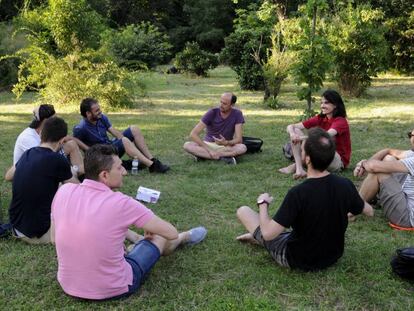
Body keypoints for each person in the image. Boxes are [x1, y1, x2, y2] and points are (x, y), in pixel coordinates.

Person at [51, 144, 207, 300]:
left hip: (68, 286)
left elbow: (54, 239)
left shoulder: (64, 191)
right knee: (160, 237)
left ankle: (133, 248)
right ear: (104, 175)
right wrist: (159, 231)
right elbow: (170, 233)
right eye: (119, 168)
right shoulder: (121, 203)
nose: (124, 172)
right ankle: (185, 237)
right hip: (115, 287)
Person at [236, 128, 373, 271]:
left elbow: (268, 234)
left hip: (298, 258)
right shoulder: (345, 184)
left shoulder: (298, 193)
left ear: (307, 159)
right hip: (332, 255)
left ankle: (257, 237)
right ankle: (256, 237)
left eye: (302, 150)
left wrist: (262, 203)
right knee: (293, 231)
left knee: (243, 211)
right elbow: (369, 211)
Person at [8, 117, 78, 244]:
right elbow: (80, 190)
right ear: (62, 140)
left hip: (16, 227)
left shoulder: (27, 153)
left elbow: (9, 175)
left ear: (41, 134)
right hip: (38, 233)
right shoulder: (57, 159)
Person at [73, 98, 169, 173]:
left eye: (99, 109)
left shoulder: (101, 118)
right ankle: (151, 166)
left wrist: (129, 147)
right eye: (97, 110)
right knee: (124, 141)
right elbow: (76, 144)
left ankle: (151, 159)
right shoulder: (81, 128)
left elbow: (114, 132)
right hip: (101, 155)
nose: (100, 112)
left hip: (110, 147)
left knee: (134, 129)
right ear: (88, 113)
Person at [279, 90, 351, 179]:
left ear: (335, 105)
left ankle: (296, 165)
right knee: (297, 130)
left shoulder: (341, 121)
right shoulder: (321, 118)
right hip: (321, 154)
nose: (322, 106)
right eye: (321, 103)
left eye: (326, 103)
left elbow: (325, 136)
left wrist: (302, 139)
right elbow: (291, 126)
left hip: (336, 160)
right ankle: (299, 169)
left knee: (310, 140)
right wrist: (292, 134)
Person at [4, 104, 86, 181]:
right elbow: (43, 159)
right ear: (46, 121)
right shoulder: (28, 137)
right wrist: (59, 143)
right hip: (31, 171)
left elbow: (52, 149)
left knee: (71, 144)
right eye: (54, 118)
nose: (56, 121)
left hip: (44, 160)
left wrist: (62, 139)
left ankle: (80, 174)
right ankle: (73, 176)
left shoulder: (46, 131)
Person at [353, 128, 414, 228]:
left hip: (407, 218)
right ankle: (369, 198)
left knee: (379, 172)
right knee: (388, 159)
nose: (411, 139)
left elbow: (373, 167)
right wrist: (366, 163)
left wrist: (364, 163)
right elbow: (389, 152)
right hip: (407, 200)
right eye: (410, 135)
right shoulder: (412, 154)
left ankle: (353, 208)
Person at [183, 92, 247, 165]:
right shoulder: (212, 112)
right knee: (187, 145)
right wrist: (210, 150)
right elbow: (193, 134)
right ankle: (224, 157)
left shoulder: (237, 114)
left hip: (225, 146)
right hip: (208, 145)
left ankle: (203, 156)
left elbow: (239, 139)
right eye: (221, 102)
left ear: (232, 105)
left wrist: (226, 142)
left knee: (242, 147)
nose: (221, 105)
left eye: (224, 104)